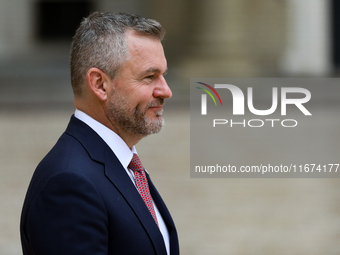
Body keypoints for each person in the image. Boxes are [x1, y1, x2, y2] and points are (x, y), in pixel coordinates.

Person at [20, 12, 179, 255]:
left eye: (163, 75)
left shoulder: (125, 166)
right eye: (149, 77)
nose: (166, 91)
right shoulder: (69, 183)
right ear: (100, 84)